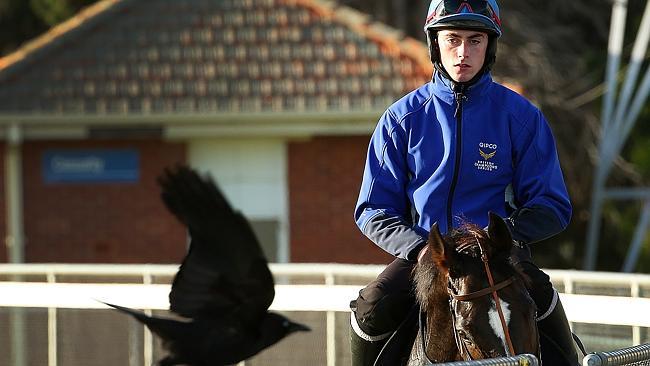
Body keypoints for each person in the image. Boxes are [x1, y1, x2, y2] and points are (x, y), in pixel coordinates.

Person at [349, 0, 579, 365]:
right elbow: (372, 208)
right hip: (427, 253)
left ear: (490, 47)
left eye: (475, 40)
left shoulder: (521, 117)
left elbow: (552, 204)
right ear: (435, 44)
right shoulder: (401, 120)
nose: (463, 52)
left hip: (498, 253)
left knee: (544, 296)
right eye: (452, 39)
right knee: (371, 305)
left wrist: (508, 235)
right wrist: (420, 248)